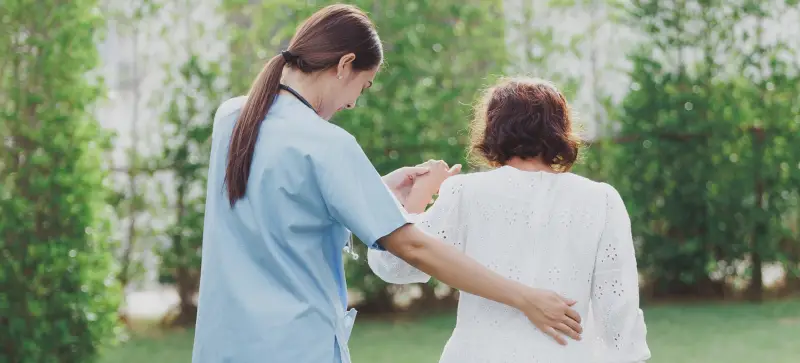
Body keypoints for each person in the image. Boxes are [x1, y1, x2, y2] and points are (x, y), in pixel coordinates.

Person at [191, 5, 582, 363]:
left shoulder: (233, 117)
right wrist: (525, 298)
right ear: (345, 64)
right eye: (364, 86)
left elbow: (276, 204)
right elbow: (413, 247)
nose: (353, 104)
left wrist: (373, 188)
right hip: (295, 346)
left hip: (223, 345)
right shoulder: (327, 143)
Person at [368, 76, 651, 362]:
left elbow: (396, 266)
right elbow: (619, 312)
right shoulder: (601, 200)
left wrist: (420, 193)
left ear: (493, 128)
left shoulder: (465, 192)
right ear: (560, 129)